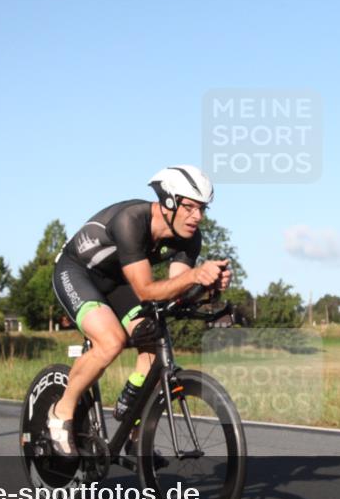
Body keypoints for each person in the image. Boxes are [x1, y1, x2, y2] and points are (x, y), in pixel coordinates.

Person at [48, 165, 232, 457]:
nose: (197, 217)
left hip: (119, 281)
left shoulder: (189, 237)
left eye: (202, 209)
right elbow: (146, 290)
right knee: (111, 342)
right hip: (79, 272)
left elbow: (176, 289)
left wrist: (210, 288)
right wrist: (196, 275)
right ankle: (61, 411)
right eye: (190, 207)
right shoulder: (131, 220)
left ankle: (135, 436)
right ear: (168, 202)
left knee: (152, 339)